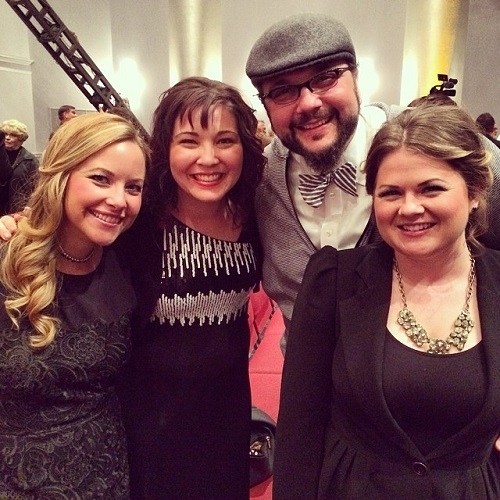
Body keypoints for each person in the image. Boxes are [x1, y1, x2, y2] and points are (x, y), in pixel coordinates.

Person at [273, 105, 500, 499]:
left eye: (431, 188)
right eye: (390, 193)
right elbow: (299, 431)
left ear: (476, 191)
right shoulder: (334, 281)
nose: (409, 208)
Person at [245, 13, 500, 349]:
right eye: (282, 91)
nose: (308, 103)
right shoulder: (256, 180)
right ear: (264, 105)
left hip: (423, 372)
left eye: (326, 77)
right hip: (304, 374)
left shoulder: (439, 143)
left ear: (355, 77)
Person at [117, 76, 265, 499]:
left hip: (227, 414)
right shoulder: (139, 223)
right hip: (150, 424)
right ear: (164, 148)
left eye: (225, 141)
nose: (208, 158)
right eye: (188, 142)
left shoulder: (253, 213)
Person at [0, 112, 148, 497]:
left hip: (108, 478)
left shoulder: (126, 261)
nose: (118, 200)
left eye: (133, 187)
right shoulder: (7, 263)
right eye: (100, 178)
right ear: (61, 176)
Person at [0, 119, 39, 214]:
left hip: (17, 210)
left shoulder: (30, 160)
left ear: (21, 139)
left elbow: (36, 187)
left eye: (12, 135)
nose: (7, 138)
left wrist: (30, 205)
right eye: (5, 134)